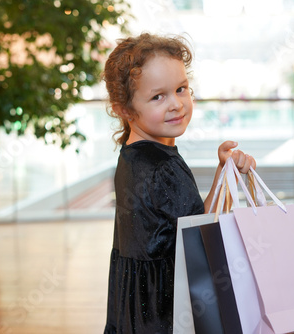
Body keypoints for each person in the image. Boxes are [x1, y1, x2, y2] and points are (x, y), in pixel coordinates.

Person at [102, 33, 256, 334]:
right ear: (124, 109)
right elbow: (201, 235)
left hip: (133, 305)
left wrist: (222, 172)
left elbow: (186, 223)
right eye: (158, 96)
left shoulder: (131, 155)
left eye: (181, 89)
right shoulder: (164, 168)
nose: (176, 104)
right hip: (165, 310)